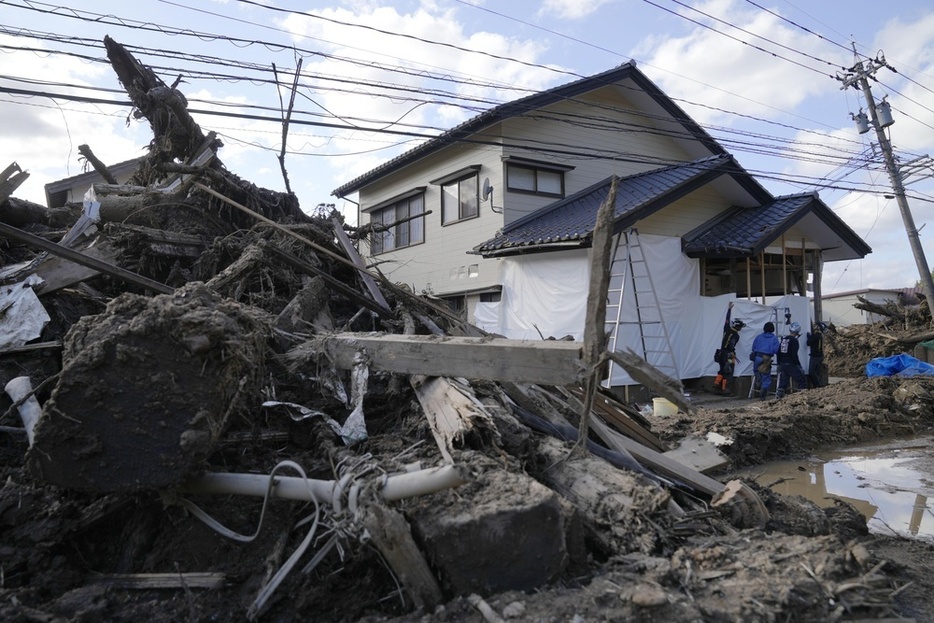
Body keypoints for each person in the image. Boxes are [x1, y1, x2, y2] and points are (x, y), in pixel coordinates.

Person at [713, 302, 745, 395]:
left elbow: (727, 319)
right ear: (738, 327)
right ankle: (726, 390)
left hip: (720, 353)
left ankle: (716, 385)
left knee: (722, 370)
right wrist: (731, 354)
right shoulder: (736, 335)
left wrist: (729, 309)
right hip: (728, 356)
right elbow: (731, 345)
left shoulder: (726, 328)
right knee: (728, 373)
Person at [776, 321, 808, 399]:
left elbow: (778, 352)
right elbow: (794, 355)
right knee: (801, 380)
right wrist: (798, 365)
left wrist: (779, 363)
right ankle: (802, 397)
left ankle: (778, 397)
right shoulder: (794, 341)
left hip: (783, 363)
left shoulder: (784, 339)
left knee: (783, 382)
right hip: (790, 363)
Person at [751, 321, 780, 401]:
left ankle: (758, 381)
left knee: (756, 371)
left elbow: (753, 347)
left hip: (757, 357)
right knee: (766, 377)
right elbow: (776, 350)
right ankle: (763, 394)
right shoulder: (774, 338)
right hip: (766, 358)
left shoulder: (759, 337)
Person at [806, 322, 826, 388]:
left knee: (811, 372)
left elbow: (808, 343)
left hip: (815, 356)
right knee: (816, 371)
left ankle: (817, 385)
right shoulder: (820, 336)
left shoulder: (815, 336)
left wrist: (808, 336)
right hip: (820, 356)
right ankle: (818, 385)